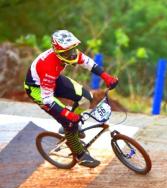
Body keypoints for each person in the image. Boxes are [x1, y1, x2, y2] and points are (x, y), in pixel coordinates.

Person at [24, 30, 118, 168]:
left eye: (73, 50)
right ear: (59, 53)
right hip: (38, 89)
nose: (73, 54)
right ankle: (79, 155)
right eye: (68, 53)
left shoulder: (67, 52)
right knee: (69, 121)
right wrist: (67, 114)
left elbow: (88, 62)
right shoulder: (48, 66)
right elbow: (47, 99)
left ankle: (70, 128)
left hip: (53, 80)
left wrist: (106, 76)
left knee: (86, 98)